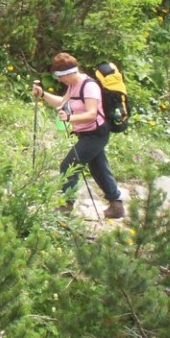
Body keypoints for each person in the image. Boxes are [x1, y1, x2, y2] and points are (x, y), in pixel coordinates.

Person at [32, 52, 125, 219]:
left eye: (60, 76)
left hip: (96, 133)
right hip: (85, 134)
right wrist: (43, 94)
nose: (59, 80)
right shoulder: (73, 86)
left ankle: (66, 206)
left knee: (68, 166)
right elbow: (62, 103)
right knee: (98, 168)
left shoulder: (89, 86)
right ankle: (116, 206)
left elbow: (91, 113)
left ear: (69, 73)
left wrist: (70, 118)